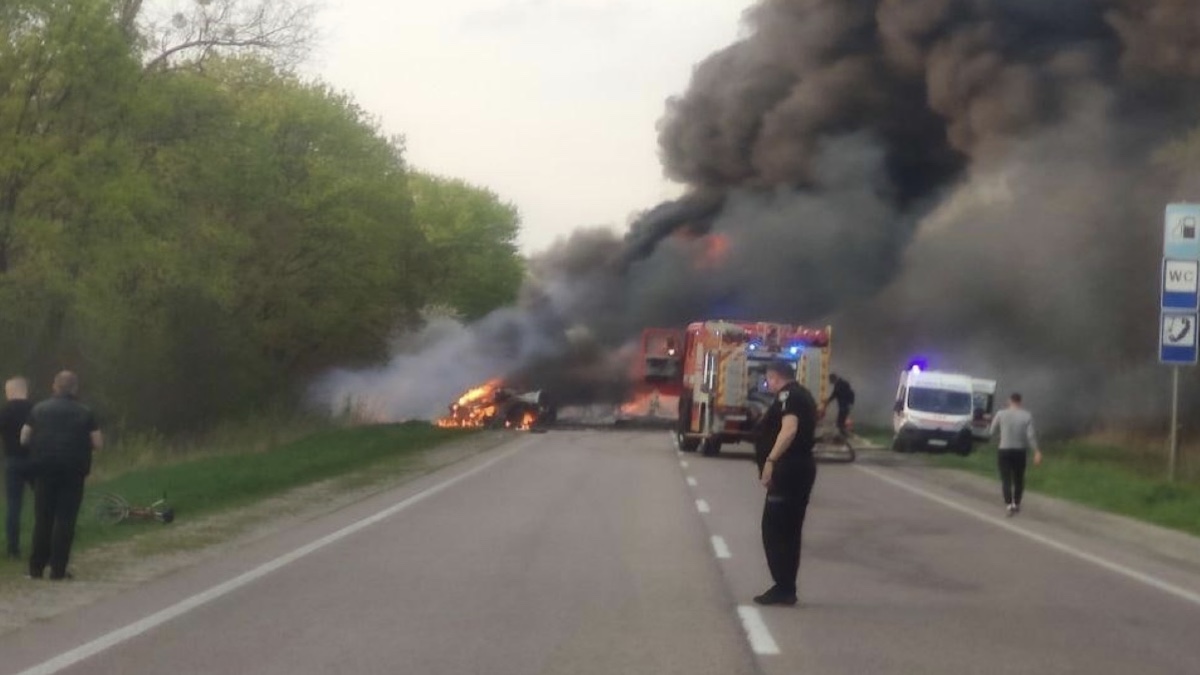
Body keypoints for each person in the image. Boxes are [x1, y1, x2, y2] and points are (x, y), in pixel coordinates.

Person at [20, 371, 103, 580]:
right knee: (65, 520)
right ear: (75, 389)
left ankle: (36, 568)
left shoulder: (38, 409)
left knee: (43, 519)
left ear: (54, 387)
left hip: (44, 468)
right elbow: (98, 443)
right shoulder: (86, 412)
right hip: (73, 471)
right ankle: (58, 570)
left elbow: (24, 438)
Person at [752, 360, 819, 606]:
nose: (767, 383)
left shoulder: (788, 396)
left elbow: (789, 429)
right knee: (789, 531)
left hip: (789, 469)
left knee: (775, 530)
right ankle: (785, 586)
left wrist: (771, 459)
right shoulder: (803, 395)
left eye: (768, 378)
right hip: (799, 468)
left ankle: (783, 586)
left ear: (775, 376)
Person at [988, 392, 1042, 517]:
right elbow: (1031, 435)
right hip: (1020, 451)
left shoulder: (1001, 414)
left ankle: (1008, 504)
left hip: (1004, 449)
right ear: (1020, 402)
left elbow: (992, 430)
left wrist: (998, 438)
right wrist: (1036, 451)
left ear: (1009, 401)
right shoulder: (1026, 415)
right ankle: (1016, 503)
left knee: (1006, 478)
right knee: (1019, 478)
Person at [1, 377, 35, 559]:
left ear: (9, 391)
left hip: (13, 461)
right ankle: (46, 541)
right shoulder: (36, 409)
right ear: (25, 390)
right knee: (44, 501)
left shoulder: (4, 412)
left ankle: (13, 549)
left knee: (14, 505)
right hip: (36, 459)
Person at [822, 373, 855, 438]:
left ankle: (843, 435)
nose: (830, 382)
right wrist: (827, 401)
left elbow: (835, 394)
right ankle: (843, 434)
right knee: (840, 421)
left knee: (840, 421)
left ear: (833, 379)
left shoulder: (841, 384)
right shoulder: (839, 384)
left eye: (830, 380)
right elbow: (835, 394)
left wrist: (827, 401)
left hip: (845, 405)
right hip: (844, 405)